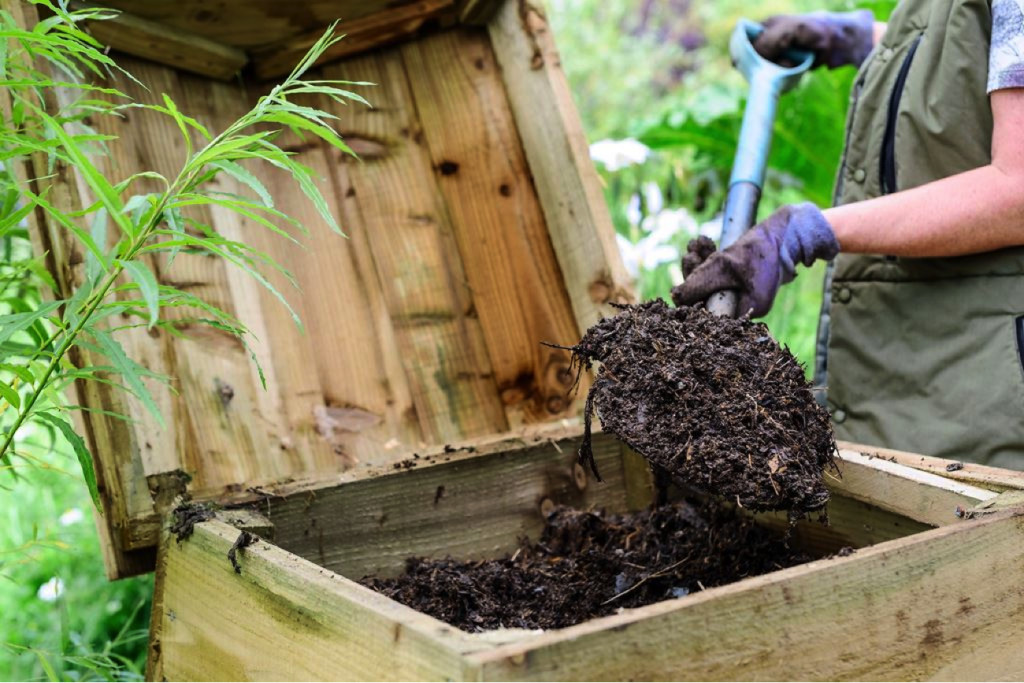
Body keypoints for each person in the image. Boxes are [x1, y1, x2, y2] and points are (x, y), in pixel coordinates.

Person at [673, 0, 1024, 469]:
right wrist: (862, 39)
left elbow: (1017, 188)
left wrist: (809, 231)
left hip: (976, 392)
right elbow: (972, 48)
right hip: (906, 367)